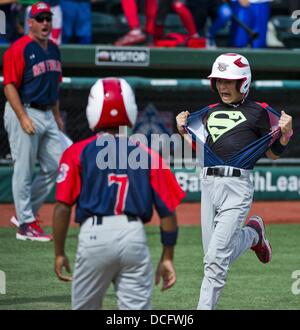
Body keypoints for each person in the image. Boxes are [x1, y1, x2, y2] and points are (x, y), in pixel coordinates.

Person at [53, 77, 185, 310]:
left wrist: (59, 252)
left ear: (92, 110)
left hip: (93, 235)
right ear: (131, 109)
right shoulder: (148, 154)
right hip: (133, 235)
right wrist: (167, 256)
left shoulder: (76, 152)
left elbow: (62, 206)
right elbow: (168, 214)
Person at [176, 53, 293, 310]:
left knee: (215, 262)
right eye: (218, 81)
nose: (222, 86)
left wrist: (285, 135)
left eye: (229, 81)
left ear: (244, 82)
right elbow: (201, 150)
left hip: (237, 188)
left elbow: (272, 154)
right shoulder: (208, 112)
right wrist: (184, 131)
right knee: (215, 257)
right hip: (208, 185)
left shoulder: (260, 112)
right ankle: (253, 235)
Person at [3, 1, 64, 241]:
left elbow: (55, 85)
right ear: (30, 22)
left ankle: (23, 215)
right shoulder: (18, 48)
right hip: (25, 110)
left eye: (48, 18)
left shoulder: (55, 49)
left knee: (56, 165)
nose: (45, 23)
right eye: (40, 19)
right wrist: (22, 117)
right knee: (24, 169)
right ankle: (26, 223)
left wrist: (57, 116)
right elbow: (9, 85)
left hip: (47, 113)